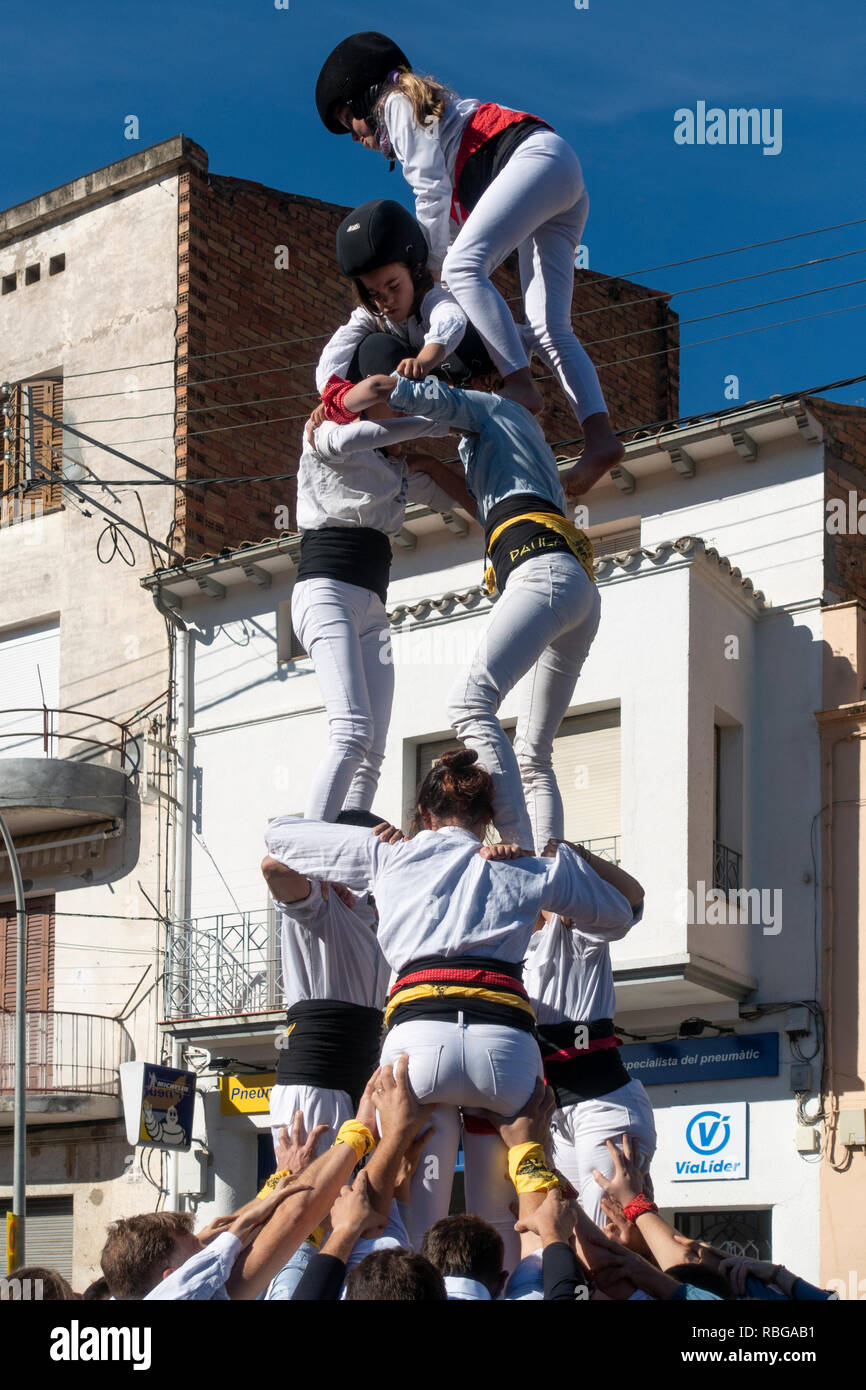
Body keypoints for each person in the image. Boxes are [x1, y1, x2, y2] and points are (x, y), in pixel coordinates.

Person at [260, 748, 641, 1267]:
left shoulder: (390, 855)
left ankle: (416, 1283)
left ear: (423, 815)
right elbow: (622, 913)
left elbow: (280, 839)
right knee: (506, 1209)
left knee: (415, 1206)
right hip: (504, 1054)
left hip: (417, 1049)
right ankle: (509, 1282)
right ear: (487, 820)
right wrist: (554, 860)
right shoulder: (525, 865)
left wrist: (374, 840)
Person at [315, 31, 624, 485]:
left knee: (462, 267)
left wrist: (426, 265)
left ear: (365, 98)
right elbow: (454, 224)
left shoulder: (395, 104)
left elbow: (430, 189)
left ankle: (520, 383)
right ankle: (600, 437)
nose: (356, 137)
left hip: (535, 159)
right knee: (547, 327)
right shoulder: (437, 124)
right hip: (556, 177)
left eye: (350, 121)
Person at [360, 369, 601, 851]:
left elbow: (421, 396)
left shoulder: (495, 408)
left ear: (484, 381)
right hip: (573, 587)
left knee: (469, 703)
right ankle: (554, 881)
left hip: (543, 575)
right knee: (534, 755)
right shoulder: (503, 440)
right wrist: (428, 463)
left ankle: (522, 852)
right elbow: (482, 509)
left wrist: (357, 396)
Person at [294, 352, 472, 820]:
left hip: (373, 604)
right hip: (326, 589)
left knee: (372, 748)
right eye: (398, 405)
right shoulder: (325, 435)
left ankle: (346, 855)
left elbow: (462, 498)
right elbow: (371, 430)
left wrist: (430, 463)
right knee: (350, 730)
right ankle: (309, 853)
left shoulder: (397, 472)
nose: (403, 413)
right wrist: (436, 423)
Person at [523, 839, 655, 1224]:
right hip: (558, 1113)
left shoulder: (579, 934)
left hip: (603, 1103)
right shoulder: (512, 950)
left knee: (610, 1231)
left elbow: (633, 900)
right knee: (575, 1235)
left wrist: (581, 857)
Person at [262, 807, 391, 1157]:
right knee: (311, 1203)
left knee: (361, 1205)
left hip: (359, 1074)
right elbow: (274, 867)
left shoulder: (379, 909)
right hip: (316, 1082)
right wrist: (324, 867)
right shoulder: (318, 904)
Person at [316, 198, 493, 394]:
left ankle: (475, 388)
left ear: (415, 271)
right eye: (374, 294)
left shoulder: (431, 296)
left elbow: (452, 320)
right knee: (375, 348)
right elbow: (340, 345)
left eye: (394, 286)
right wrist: (330, 394)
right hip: (413, 391)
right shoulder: (373, 314)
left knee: (466, 335)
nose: (387, 301)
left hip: (456, 377)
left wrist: (423, 361)